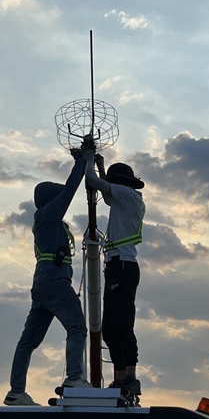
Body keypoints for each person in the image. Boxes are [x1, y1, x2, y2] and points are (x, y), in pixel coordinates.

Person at [5, 148, 91, 405]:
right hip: (55, 284)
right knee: (77, 327)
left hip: (42, 285)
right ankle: (74, 378)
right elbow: (69, 190)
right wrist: (81, 161)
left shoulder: (46, 221)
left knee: (28, 341)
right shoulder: (48, 215)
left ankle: (16, 392)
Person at [82, 146, 145, 395]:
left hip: (124, 266)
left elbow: (93, 183)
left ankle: (130, 377)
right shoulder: (124, 198)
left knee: (122, 324)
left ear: (119, 183)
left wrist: (88, 162)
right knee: (110, 327)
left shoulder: (129, 196)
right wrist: (101, 165)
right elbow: (106, 194)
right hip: (116, 266)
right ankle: (120, 377)